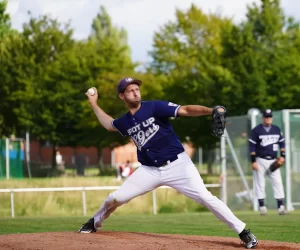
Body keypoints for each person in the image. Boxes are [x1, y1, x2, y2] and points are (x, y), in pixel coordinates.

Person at [78, 77, 258, 249]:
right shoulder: (125, 121)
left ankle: (243, 232)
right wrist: (93, 103)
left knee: (205, 197)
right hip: (149, 170)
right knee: (116, 198)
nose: (135, 93)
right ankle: (94, 222)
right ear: (122, 96)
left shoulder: (155, 107)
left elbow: (185, 110)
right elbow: (109, 124)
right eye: (130, 91)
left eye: (137, 89)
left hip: (178, 165)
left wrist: (211, 110)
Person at [249, 109, 287, 216]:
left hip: (273, 161)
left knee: (278, 183)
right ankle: (262, 207)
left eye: (269, 116)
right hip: (260, 160)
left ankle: (280, 207)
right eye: (266, 116)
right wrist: (253, 161)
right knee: (260, 183)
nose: (268, 118)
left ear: (272, 117)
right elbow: (251, 146)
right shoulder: (257, 130)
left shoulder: (276, 129)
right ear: (262, 118)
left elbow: (282, 144)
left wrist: (283, 156)